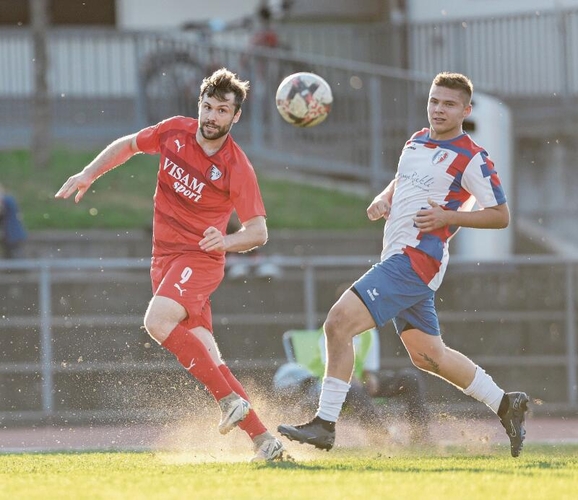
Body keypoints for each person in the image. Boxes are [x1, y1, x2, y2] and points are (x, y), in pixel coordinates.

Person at [278, 72, 529, 458]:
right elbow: (400, 183)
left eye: (449, 104)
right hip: (398, 258)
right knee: (429, 356)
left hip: (416, 260)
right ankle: (506, 404)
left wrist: (448, 217)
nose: (439, 109)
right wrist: (383, 199)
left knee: (337, 323)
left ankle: (325, 424)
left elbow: (500, 216)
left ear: (466, 109)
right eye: (434, 100)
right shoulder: (415, 141)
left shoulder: (472, 157)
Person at [55, 68, 284, 462]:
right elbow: (128, 145)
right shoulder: (175, 131)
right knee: (211, 359)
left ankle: (229, 401)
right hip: (163, 259)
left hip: (200, 259)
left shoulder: (236, 166)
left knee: (156, 321)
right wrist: (89, 172)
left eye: (222, 110)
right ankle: (267, 443)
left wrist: (226, 240)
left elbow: (259, 231)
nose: (211, 116)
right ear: (199, 105)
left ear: (236, 116)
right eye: (207, 106)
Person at [274, 327, 430, 444]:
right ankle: (380, 439)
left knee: (410, 378)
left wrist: (371, 379)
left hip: (357, 387)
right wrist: (353, 380)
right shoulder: (330, 332)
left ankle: (420, 437)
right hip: (329, 389)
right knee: (352, 389)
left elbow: (367, 370)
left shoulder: (369, 333)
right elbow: (334, 370)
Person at [0, 183, 27, 259]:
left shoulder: (5, 200)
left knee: (15, 260)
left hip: (12, 235)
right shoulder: (9, 199)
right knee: (12, 258)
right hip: (13, 235)